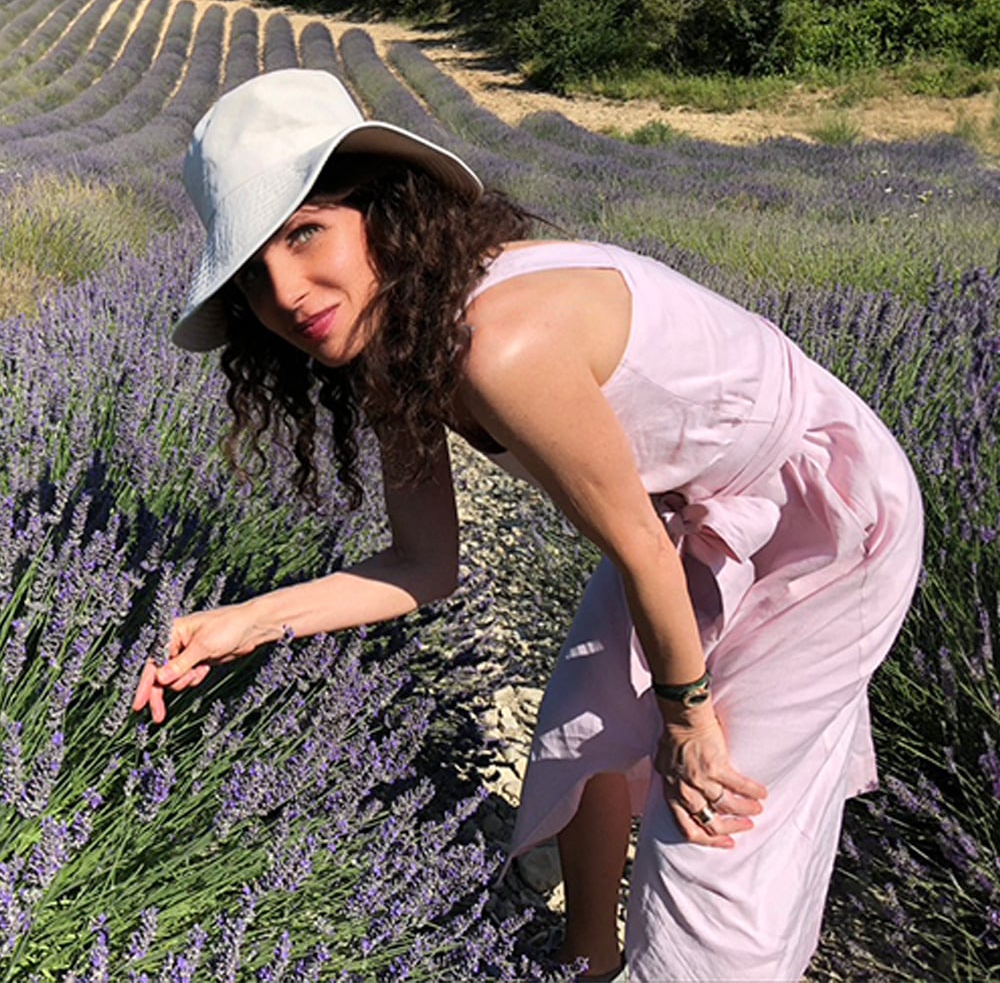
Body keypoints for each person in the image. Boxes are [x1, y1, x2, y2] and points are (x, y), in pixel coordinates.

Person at [132, 69, 923, 982]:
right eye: (253, 274)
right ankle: (590, 958)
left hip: (820, 517)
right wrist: (243, 623)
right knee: (590, 724)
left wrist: (688, 716)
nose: (288, 291)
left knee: (711, 828)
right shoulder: (404, 343)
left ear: (383, 211)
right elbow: (424, 565)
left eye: (305, 233)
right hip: (688, 520)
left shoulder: (502, 345)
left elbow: (635, 544)